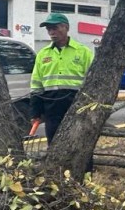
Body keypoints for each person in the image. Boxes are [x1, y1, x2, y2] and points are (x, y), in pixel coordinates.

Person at [30, 13, 94, 146]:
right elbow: (36, 83)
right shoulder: (43, 54)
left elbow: (93, 82)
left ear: (66, 27)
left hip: (76, 103)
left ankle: (84, 167)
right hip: (51, 105)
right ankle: (56, 167)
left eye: (55, 28)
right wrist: (36, 110)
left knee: (79, 141)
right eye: (49, 29)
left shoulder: (83, 52)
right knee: (53, 141)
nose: (51, 32)